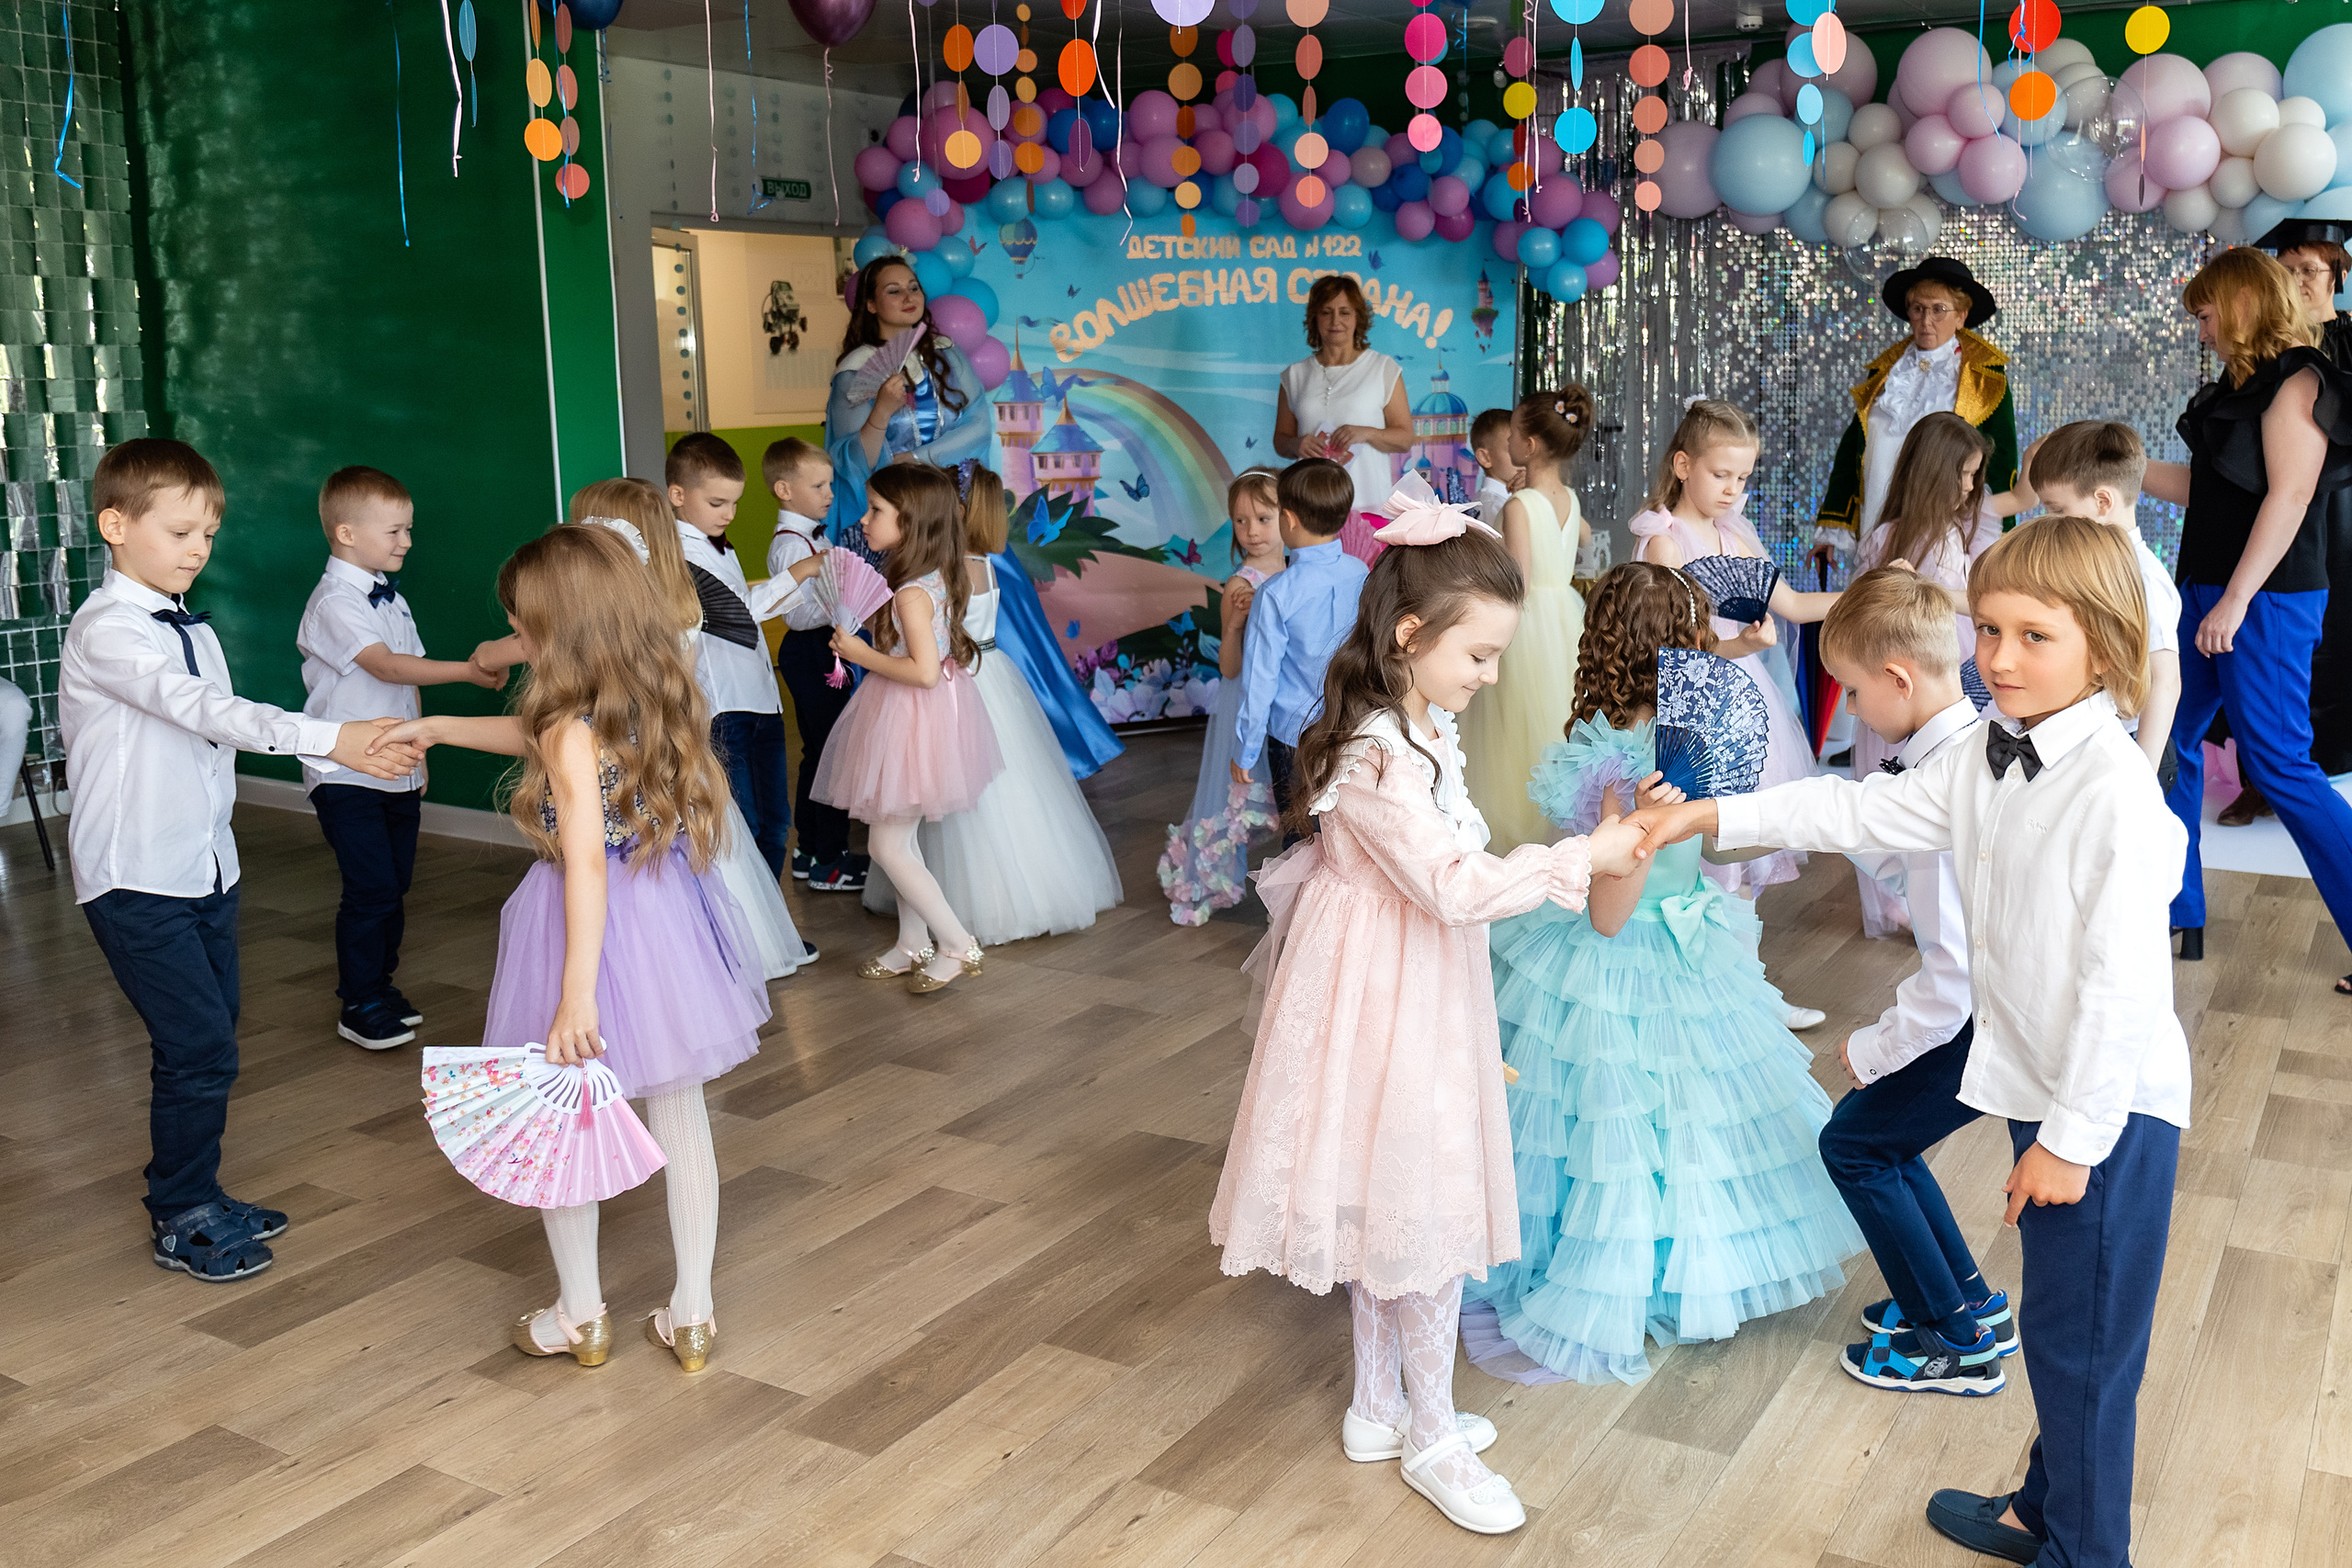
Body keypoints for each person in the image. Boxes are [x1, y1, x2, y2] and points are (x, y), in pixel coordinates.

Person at [1629, 515, 2192, 1568]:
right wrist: (1711, 817)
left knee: (2084, 1350)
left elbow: (2121, 993)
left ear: (2105, 648)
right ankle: (2043, 1510)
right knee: (2064, 1335)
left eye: (2034, 636)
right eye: (1991, 630)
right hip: (2042, 1084)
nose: (1999, 658)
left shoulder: (2114, 795)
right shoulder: (1989, 750)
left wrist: (2069, 1142)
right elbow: (1861, 811)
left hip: (2105, 1111)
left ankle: (2083, 1551)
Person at [1206, 505, 1645, 1536]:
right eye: (1478, 655)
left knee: (1389, 1197)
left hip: (1404, 982)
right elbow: (1451, 884)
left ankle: (1378, 1406)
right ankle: (1432, 1435)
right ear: (1410, 635)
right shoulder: (1377, 756)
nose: (1491, 675)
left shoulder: (1418, 728)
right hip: (1387, 997)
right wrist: (1579, 857)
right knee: (1425, 1202)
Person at [371, 525, 770, 1371]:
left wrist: (575, 992)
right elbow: (550, 744)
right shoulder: (653, 690)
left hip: (579, 928)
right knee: (683, 1117)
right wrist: (441, 726)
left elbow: (583, 852)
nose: (516, 637)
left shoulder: (566, 727)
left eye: (522, 624)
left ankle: (580, 1315)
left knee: (562, 1118)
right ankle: (693, 1316)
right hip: (664, 912)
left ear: (559, 627)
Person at [1464, 561, 1861, 1388]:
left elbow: (1713, 844)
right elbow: (1609, 915)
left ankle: (1676, 1266)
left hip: (1676, 942)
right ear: (1687, 648)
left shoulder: (1645, 754)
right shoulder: (1623, 772)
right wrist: (1645, 825)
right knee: (1645, 1128)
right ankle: (1645, 1275)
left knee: (1649, 1126)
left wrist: (1790, 819)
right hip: (1632, 957)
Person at [64, 438, 422, 1283]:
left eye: (209, 535)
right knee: (198, 1048)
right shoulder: (107, 630)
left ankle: (196, 1190)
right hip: (135, 876)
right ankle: (179, 1213)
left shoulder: (190, 622)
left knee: (209, 1039)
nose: (198, 549)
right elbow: (202, 709)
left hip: (206, 869)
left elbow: (208, 738)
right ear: (115, 526)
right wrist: (331, 738)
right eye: (180, 531)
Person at [1812, 569, 2016, 1396]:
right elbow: (1900, 861)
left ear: (1898, 679)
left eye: (1855, 692)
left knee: (1853, 1144)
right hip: (1994, 1011)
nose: (1854, 711)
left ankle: (1955, 1343)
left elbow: (1952, 973)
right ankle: (1967, 1299)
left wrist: (1875, 1047)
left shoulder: (1943, 787)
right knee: (1880, 1138)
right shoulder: (1970, 746)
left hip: (1979, 1020)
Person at [2138, 247, 2352, 984]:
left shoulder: (2299, 379)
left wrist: (2235, 599)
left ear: (2240, 305)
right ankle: (2178, 905)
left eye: (2205, 315)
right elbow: (2209, 492)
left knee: (2279, 764)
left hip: (2265, 598)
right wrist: (2114, 463)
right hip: (2206, 589)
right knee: (2165, 739)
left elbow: (2291, 496)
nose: (2200, 331)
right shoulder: (2236, 387)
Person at [1630, 399, 1838, 1026]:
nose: (1732, 489)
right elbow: (1666, 646)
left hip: (1746, 703)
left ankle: (1748, 993)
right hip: (1693, 703)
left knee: (1740, 852)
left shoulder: (1737, 536)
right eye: (1721, 474)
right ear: (1683, 465)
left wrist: (1877, 592)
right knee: (1700, 858)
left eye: (1743, 477)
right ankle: (1702, 996)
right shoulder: (1665, 542)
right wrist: (1737, 646)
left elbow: (1795, 605)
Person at [562, 477, 812, 980]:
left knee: (661, 862)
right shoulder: (677, 601)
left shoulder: (636, 613)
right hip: (677, 748)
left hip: (644, 754)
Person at [862, 464, 1122, 944]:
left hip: (959, 678)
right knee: (1008, 787)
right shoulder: (987, 563)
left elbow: (932, 644)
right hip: (992, 671)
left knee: (964, 794)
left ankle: (969, 911)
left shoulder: (945, 571)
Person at [294, 466, 500, 1049]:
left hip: (397, 769)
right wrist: (469, 670)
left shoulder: (392, 597)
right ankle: (357, 1000)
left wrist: (419, 749)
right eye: (394, 531)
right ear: (346, 534)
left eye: (408, 530)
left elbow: (407, 681)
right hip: (346, 770)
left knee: (396, 883)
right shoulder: (334, 601)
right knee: (371, 887)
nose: (407, 541)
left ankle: (380, 985)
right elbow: (385, 665)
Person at [809, 464, 1003, 992]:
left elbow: (923, 672)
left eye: (876, 510)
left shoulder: (912, 593)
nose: (863, 519)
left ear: (911, 521)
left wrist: (860, 653)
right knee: (900, 841)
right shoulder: (928, 577)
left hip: (911, 719)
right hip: (912, 717)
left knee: (886, 848)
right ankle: (911, 942)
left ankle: (957, 943)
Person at [1847, 412, 2031, 936]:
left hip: (1914, 668)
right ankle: (1926, 896)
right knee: (1929, 777)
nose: (1972, 487)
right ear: (1935, 473)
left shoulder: (1906, 533)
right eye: (1965, 475)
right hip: (1930, 667)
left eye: (1975, 475)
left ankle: (1919, 891)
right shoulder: (1922, 537)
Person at [1457, 387, 1594, 852]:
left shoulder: (1518, 506)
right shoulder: (1570, 499)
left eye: (1513, 433)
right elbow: (1580, 539)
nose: (1509, 440)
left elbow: (1517, 583)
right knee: (1554, 719)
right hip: (1566, 622)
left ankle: (1517, 834)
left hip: (1527, 622)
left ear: (1529, 445)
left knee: (1512, 734)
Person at [1814, 256, 2020, 558]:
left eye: (1939, 309)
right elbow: (1853, 449)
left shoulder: (1984, 377)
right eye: (1918, 309)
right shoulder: (1885, 372)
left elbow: (2001, 458)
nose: (1926, 320)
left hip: (1944, 522)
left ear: (1961, 316)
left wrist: (1996, 539)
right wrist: (1833, 527)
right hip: (1878, 511)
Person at [666, 434, 794, 892]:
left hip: (762, 702)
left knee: (776, 822)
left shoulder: (721, 544)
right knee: (742, 825)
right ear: (677, 495)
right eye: (718, 503)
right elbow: (739, 613)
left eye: (735, 503)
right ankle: (746, 921)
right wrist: (797, 574)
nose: (729, 514)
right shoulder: (678, 555)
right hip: (725, 708)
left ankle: (771, 915)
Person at [1160, 467, 1286, 924]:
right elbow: (1229, 668)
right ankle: (1208, 878)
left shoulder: (1298, 572)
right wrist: (1233, 626)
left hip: (1289, 700)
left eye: (1263, 519)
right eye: (1240, 521)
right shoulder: (1241, 584)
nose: (1251, 531)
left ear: (1288, 516)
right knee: (1237, 793)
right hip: (1248, 700)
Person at [2027, 423, 2184, 780]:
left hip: (2129, 751)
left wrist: (2141, 778)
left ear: (2102, 502)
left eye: (2058, 510)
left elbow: (2165, 681)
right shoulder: (2082, 562)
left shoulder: (2143, 578)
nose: (2050, 523)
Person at [1231, 459, 1370, 833]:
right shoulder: (1359, 571)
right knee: (1348, 832)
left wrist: (1245, 749)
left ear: (1288, 519)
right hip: (1354, 726)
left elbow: (1259, 680)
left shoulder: (1275, 594)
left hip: (1295, 739)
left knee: (1301, 836)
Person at [823, 257, 993, 557]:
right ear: (871, 305)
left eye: (914, 288)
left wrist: (917, 457)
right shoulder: (855, 371)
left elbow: (979, 424)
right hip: (895, 519)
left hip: (950, 510)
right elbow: (852, 462)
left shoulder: (948, 354)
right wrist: (881, 411)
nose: (908, 297)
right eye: (894, 290)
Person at [763, 437, 865, 894]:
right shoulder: (791, 546)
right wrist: (845, 606)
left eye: (829, 484)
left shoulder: (812, 536)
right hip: (811, 650)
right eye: (819, 486)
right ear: (784, 490)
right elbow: (795, 615)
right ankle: (829, 858)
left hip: (822, 648)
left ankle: (809, 851)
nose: (829, 494)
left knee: (822, 752)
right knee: (831, 754)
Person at [1273, 275, 1416, 533]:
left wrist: (1367, 433)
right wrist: (1297, 444)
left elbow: (1405, 438)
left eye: (1344, 312)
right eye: (1326, 312)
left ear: (1358, 318)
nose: (1335, 321)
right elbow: (1281, 441)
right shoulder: (1294, 375)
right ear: (1314, 318)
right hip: (1310, 506)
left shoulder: (1383, 368)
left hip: (1369, 505)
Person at [1469, 408, 1518, 525]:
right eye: (1514, 449)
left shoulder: (1493, 502)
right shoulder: (1493, 507)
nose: (1524, 457)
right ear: (1485, 458)